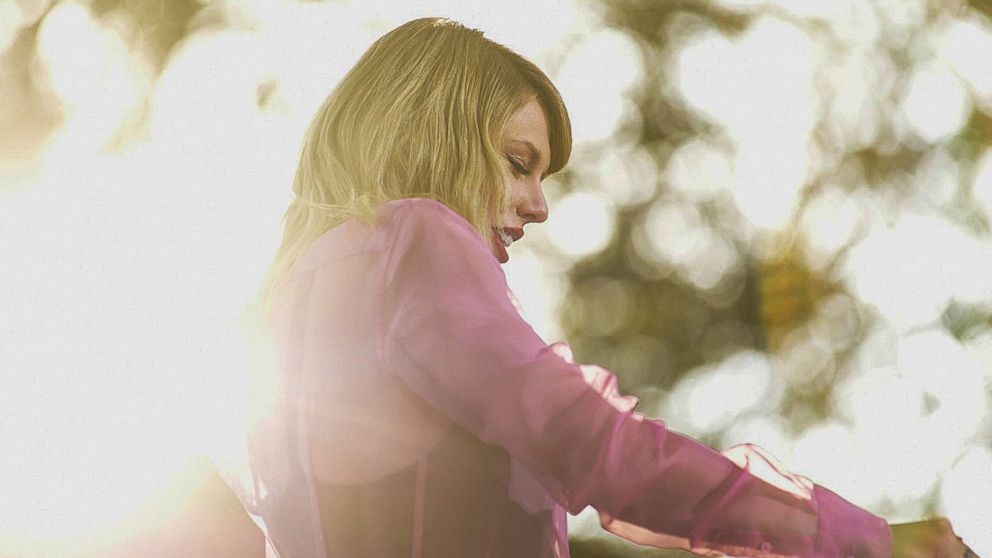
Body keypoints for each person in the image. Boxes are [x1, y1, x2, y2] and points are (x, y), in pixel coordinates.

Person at [221, 16, 979, 558]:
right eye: (519, 162)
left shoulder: (290, 301)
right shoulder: (416, 235)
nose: (539, 206)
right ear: (433, 134)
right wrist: (861, 540)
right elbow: (594, 448)